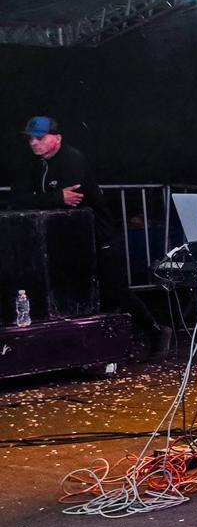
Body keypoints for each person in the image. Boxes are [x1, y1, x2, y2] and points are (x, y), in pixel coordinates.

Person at [10, 116, 170, 356]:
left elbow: (72, 201)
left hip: (99, 236)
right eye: (31, 138)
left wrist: (45, 199)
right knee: (76, 292)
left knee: (115, 290)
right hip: (67, 240)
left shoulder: (73, 159)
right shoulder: (34, 164)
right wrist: (55, 197)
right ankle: (91, 348)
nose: (33, 143)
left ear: (57, 138)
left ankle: (156, 331)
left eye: (40, 138)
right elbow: (18, 197)